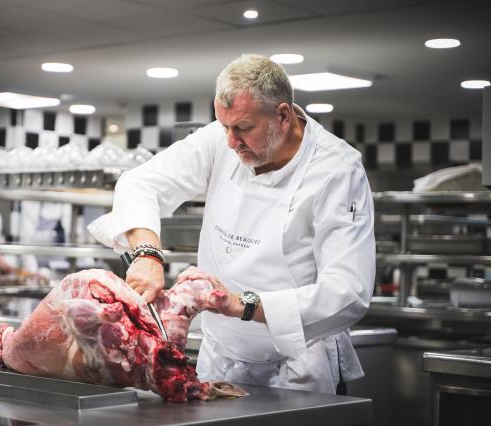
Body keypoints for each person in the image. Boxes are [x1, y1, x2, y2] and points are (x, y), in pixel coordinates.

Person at [88, 54, 375, 394]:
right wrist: (148, 254)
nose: (230, 142)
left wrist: (241, 304)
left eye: (242, 128)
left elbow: (348, 292)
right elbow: (141, 183)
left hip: (298, 365)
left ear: (282, 115)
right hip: (221, 359)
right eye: (224, 127)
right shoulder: (222, 140)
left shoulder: (337, 170)